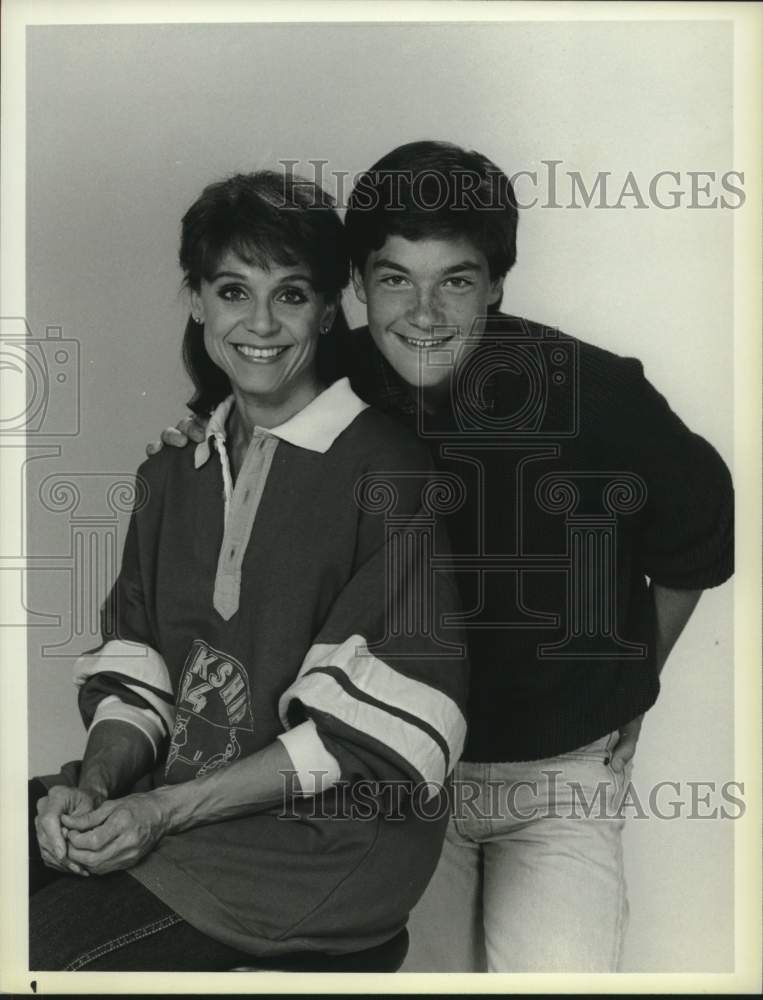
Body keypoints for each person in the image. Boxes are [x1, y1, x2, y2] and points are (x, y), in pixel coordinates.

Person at [154, 141, 735, 972]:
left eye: (454, 281)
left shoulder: (593, 392)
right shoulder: (317, 377)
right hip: (385, 779)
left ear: (494, 284)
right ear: (354, 284)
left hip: (553, 778)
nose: (423, 314)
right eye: (396, 279)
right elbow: (225, 435)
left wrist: (634, 676)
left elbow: (702, 531)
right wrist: (195, 439)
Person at [29, 169, 469, 971]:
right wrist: (94, 790)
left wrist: (161, 811)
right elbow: (140, 674)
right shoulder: (171, 473)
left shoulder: (388, 472)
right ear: (196, 299)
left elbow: (372, 739)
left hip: (322, 846)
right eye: (233, 291)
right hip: (183, 801)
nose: (259, 323)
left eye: (291, 295)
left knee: (37, 955)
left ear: (330, 308)